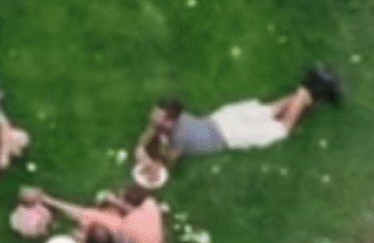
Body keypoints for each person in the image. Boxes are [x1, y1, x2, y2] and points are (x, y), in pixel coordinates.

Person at [135, 67, 342, 169]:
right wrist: (147, 139)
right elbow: (157, 134)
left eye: (157, 117)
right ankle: (317, 87)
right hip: (224, 118)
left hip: (231, 135)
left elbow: (166, 163)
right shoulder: (180, 119)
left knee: (282, 129)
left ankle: (308, 91)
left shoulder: (178, 138)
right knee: (272, 109)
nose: (153, 118)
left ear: (169, 122)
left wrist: (146, 156)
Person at [23, 183, 165, 243]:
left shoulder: (126, 226)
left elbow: (80, 214)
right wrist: (115, 202)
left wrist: (47, 199)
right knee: (104, 218)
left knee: (91, 233)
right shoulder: (150, 204)